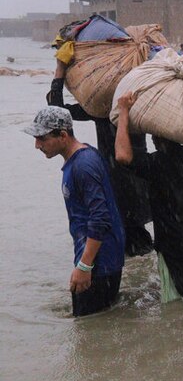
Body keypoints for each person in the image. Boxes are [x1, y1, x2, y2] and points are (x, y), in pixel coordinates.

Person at [47, 41, 154, 257]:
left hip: (116, 186)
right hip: (140, 184)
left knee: (125, 247)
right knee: (139, 247)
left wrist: (60, 71)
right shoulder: (138, 105)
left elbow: (58, 111)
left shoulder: (102, 110)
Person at [25, 106, 125, 317]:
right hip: (100, 259)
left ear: (63, 136)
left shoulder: (83, 165)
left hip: (99, 263)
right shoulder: (82, 158)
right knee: (100, 322)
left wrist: (85, 266)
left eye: (42, 138)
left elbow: (100, 217)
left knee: (88, 328)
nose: (37, 145)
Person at [114, 92, 183, 302]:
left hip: (172, 237)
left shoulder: (155, 164)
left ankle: (182, 318)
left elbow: (122, 155)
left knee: (175, 297)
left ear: (156, 139)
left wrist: (124, 111)